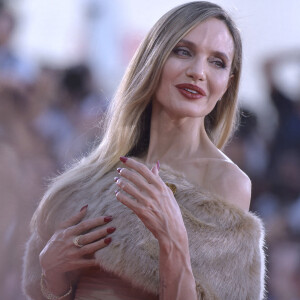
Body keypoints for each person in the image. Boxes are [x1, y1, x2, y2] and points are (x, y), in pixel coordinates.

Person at [22, 2, 266, 299]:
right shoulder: (84, 183)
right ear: (154, 58)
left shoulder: (226, 183)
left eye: (217, 62)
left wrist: (173, 241)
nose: (198, 72)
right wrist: (52, 275)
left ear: (228, 83)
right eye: (183, 51)